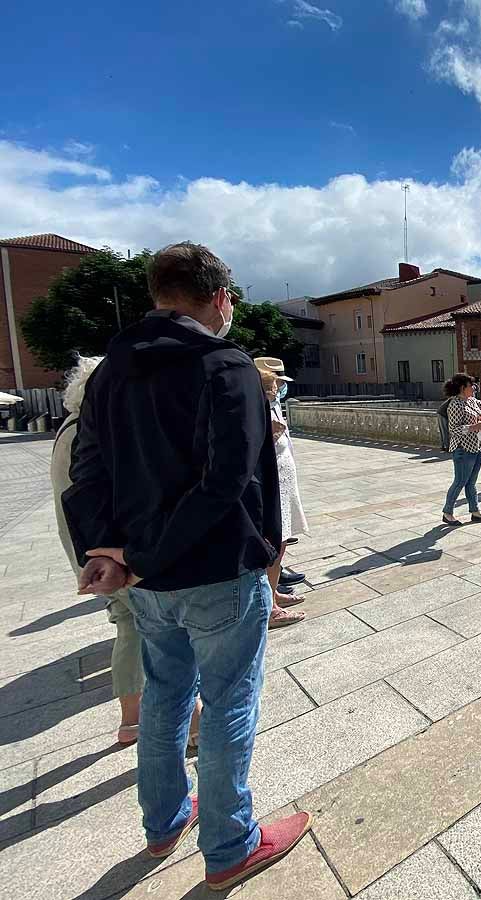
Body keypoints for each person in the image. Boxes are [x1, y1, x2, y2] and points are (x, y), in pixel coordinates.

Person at [61, 242, 310, 890]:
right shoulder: (225, 365)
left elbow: (85, 472)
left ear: (156, 294)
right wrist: (141, 557)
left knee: (166, 698)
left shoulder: (112, 369)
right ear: (221, 298)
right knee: (229, 702)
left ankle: (164, 819)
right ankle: (230, 845)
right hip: (215, 571)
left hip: (145, 582)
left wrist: (106, 554)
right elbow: (226, 483)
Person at [50, 357, 203, 747]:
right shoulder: (85, 433)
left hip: (100, 553)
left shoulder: (72, 429)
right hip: (114, 556)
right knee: (142, 632)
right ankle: (177, 721)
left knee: (129, 627)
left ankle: (133, 719)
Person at [255, 360, 307, 628]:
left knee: (282, 541)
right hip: (271, 484)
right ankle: (269, 607)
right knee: (275, 543)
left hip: (283, 482)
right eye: (275, 385)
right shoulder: (254, 409)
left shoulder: (271, 406)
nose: (279, 389)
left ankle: (272, 594)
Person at [443, 373, 481, 526]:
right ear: (463, 388)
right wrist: (474, 427)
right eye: (471, 385)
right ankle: (447, 512)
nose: (474, 387)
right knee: (460, 482)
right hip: (463, 449)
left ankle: (475, 512)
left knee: (471, 483)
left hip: (477, 446)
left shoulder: (471, 401)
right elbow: (454, 430)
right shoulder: (455, 404)